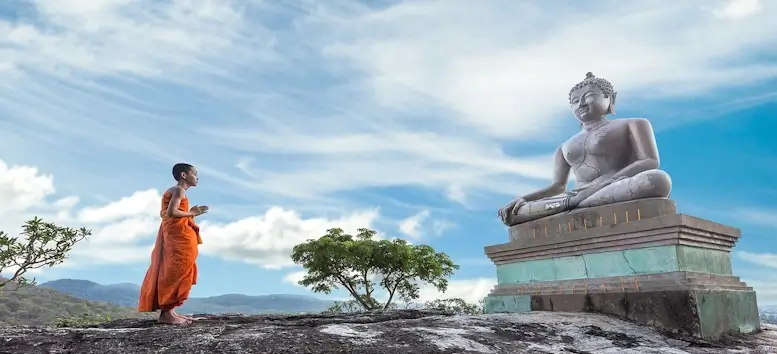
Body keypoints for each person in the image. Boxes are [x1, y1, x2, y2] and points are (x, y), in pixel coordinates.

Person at [138, 163, 209, 325]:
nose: (197, 177)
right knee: (175, 269)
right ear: (184, 175)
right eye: (194, 174)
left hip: (179, 234)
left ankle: (170, 310)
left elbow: (170, 212)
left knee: (179, 268)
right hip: (177, 236)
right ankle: (166, 313)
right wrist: (192, 212)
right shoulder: (179, 190)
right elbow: (171, 212)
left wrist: (190, 212)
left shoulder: (178, 192)